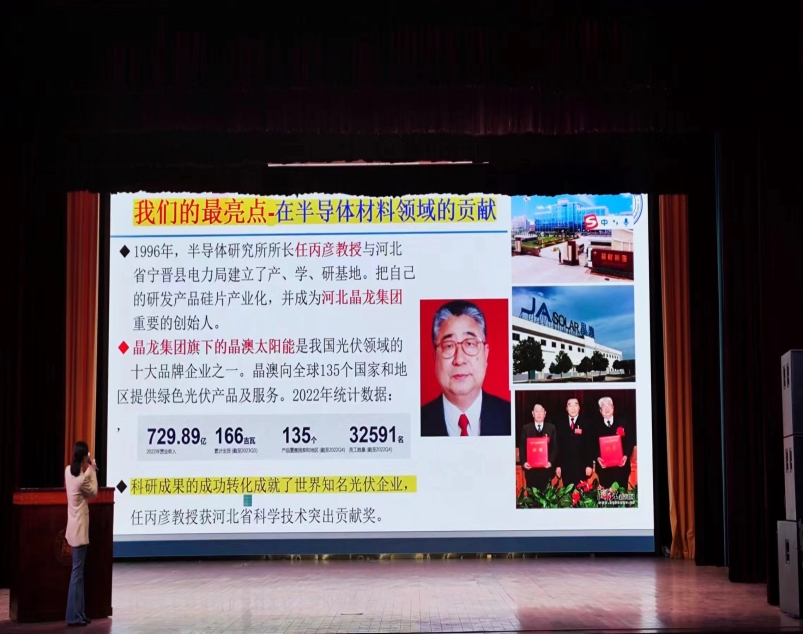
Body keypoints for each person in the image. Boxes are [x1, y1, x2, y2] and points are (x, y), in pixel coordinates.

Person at [421, 300, 511, 437]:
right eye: (449, 346)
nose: (459, 360)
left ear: (486, 354)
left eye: (469, 344)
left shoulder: (511, 418)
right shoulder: (417, 423)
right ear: (435, 358)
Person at [65, 441, 98, 627]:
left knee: (79, 574)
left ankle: (79, 613)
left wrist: (87, 470)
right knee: (77, 574)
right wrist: (92, 470)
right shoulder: (82, 479)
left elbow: (81, 479)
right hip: (79, 531)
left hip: (73, 529)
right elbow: (93, 491)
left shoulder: (68, 471)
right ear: (85, 457)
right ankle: (73, 616)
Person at [591, 396, 636, 489]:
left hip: (621, 468)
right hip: (604, 470)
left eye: (609, 405)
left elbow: (630, 441)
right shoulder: (594, 426)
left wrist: (626, 455)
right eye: (603, 406)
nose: (606, 408)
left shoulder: (624, 422)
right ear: (600, 410)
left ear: (613, 407)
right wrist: (597, 458)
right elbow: (592, 445)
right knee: (606, 496)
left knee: (621, 495)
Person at [519, 403, 558, 491]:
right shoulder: (526, 428)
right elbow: (522, 447)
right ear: (533, 413)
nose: (539, 414)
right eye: (536, 411)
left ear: (545, 413)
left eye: (541, 411)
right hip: (531, 471)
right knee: (532, 497)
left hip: (546, 471)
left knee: (546, 496)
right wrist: (524, 462)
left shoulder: (551, 428)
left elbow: (555, 447)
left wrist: (550, 461)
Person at [555, 397, 592, 487]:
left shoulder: (586, 423)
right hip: (566, 468)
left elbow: (589, 445)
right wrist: (558, 465)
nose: (573, 408)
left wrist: (589, 465)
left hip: (581, 467)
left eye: (575, 405)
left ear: (579, 408)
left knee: (581, 493)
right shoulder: (561, 424)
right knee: (568, 494)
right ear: (566, 408)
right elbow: (558, 446)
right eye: (570, 405)